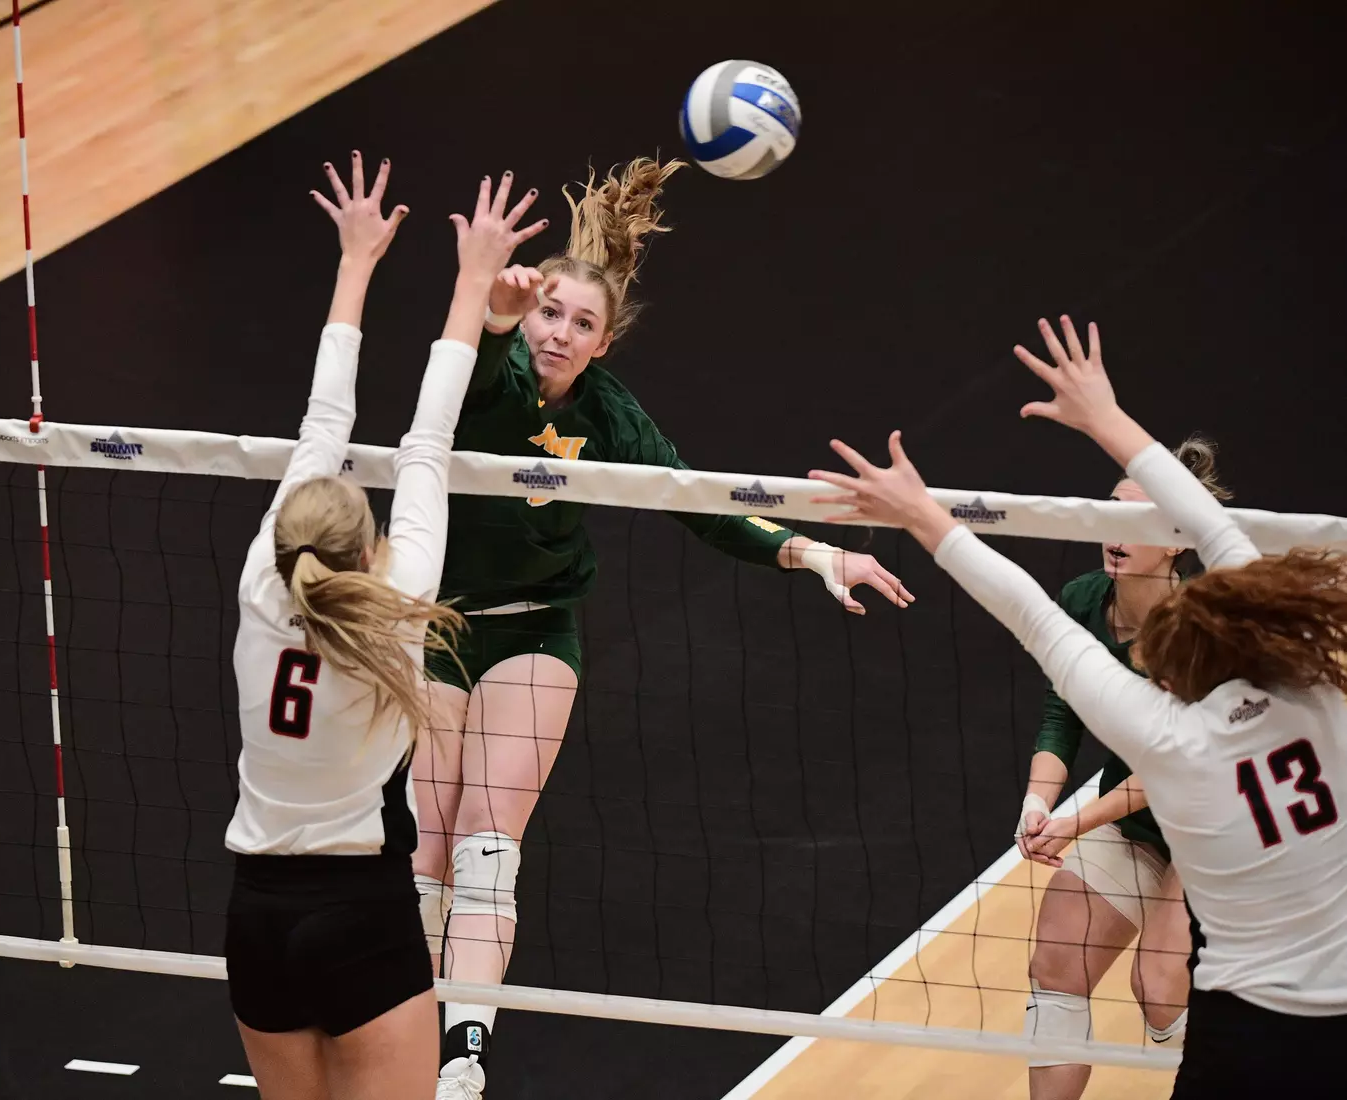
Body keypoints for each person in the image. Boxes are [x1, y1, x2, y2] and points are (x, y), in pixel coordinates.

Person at [415, 157, 914, 1099]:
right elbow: (460, 374)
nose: (559, 333)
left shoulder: (610, 419)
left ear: (605, 343)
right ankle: (400, 1029)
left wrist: (816, 555)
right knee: (426, 843)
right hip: (440, 623)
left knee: (485, 841)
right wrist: (485, 310)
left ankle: (463, 1059)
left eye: (581, 323)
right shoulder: (489, 371)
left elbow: (704, 505)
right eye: (549, 312)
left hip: (533, 629)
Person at [810, 315, 1347, 1097]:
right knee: (1063, 957)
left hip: (1253, 1028)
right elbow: (1211, 530)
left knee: (1164, 987)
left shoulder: (1171, 740)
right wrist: (1106, 417)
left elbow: (1032, 618)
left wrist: (924, 517)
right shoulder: (1319, 690)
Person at [223, 152, 546, 1100]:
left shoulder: (259, 582)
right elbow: (427, 440)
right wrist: (472, 281)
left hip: (256, 917)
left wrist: (355, 262)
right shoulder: (398, 605)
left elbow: (323, 426)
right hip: (360, 912)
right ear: (367, 551)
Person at [1013, 436, 1233, 1099]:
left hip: (1221, 828)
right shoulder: (1085, 600)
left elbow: (1178, 757)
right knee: (1057, 957)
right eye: (1110, 512)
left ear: (1174, 542)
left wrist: (1077, 819)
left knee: (1161, 989)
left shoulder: (1202, 625)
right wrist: (1037, 802)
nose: (1115, 532)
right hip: (1139, 820)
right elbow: (1064, 710)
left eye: (1135, 521)